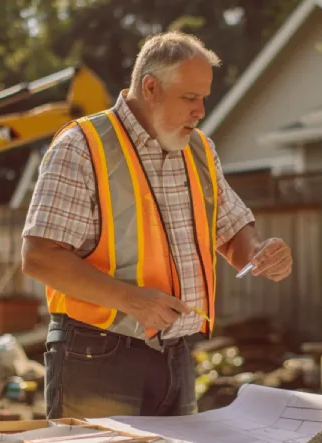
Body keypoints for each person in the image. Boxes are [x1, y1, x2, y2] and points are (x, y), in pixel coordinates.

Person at [20, 30, 293, 420]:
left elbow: (232, 230)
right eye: (189, 98)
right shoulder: (81, 146)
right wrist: (131, 300)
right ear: (150, 88)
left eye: (204, 98)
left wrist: (260, 252)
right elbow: (39, 258)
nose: (200, 110)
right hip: (96, 356)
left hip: (176, 358)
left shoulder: (199, 149)